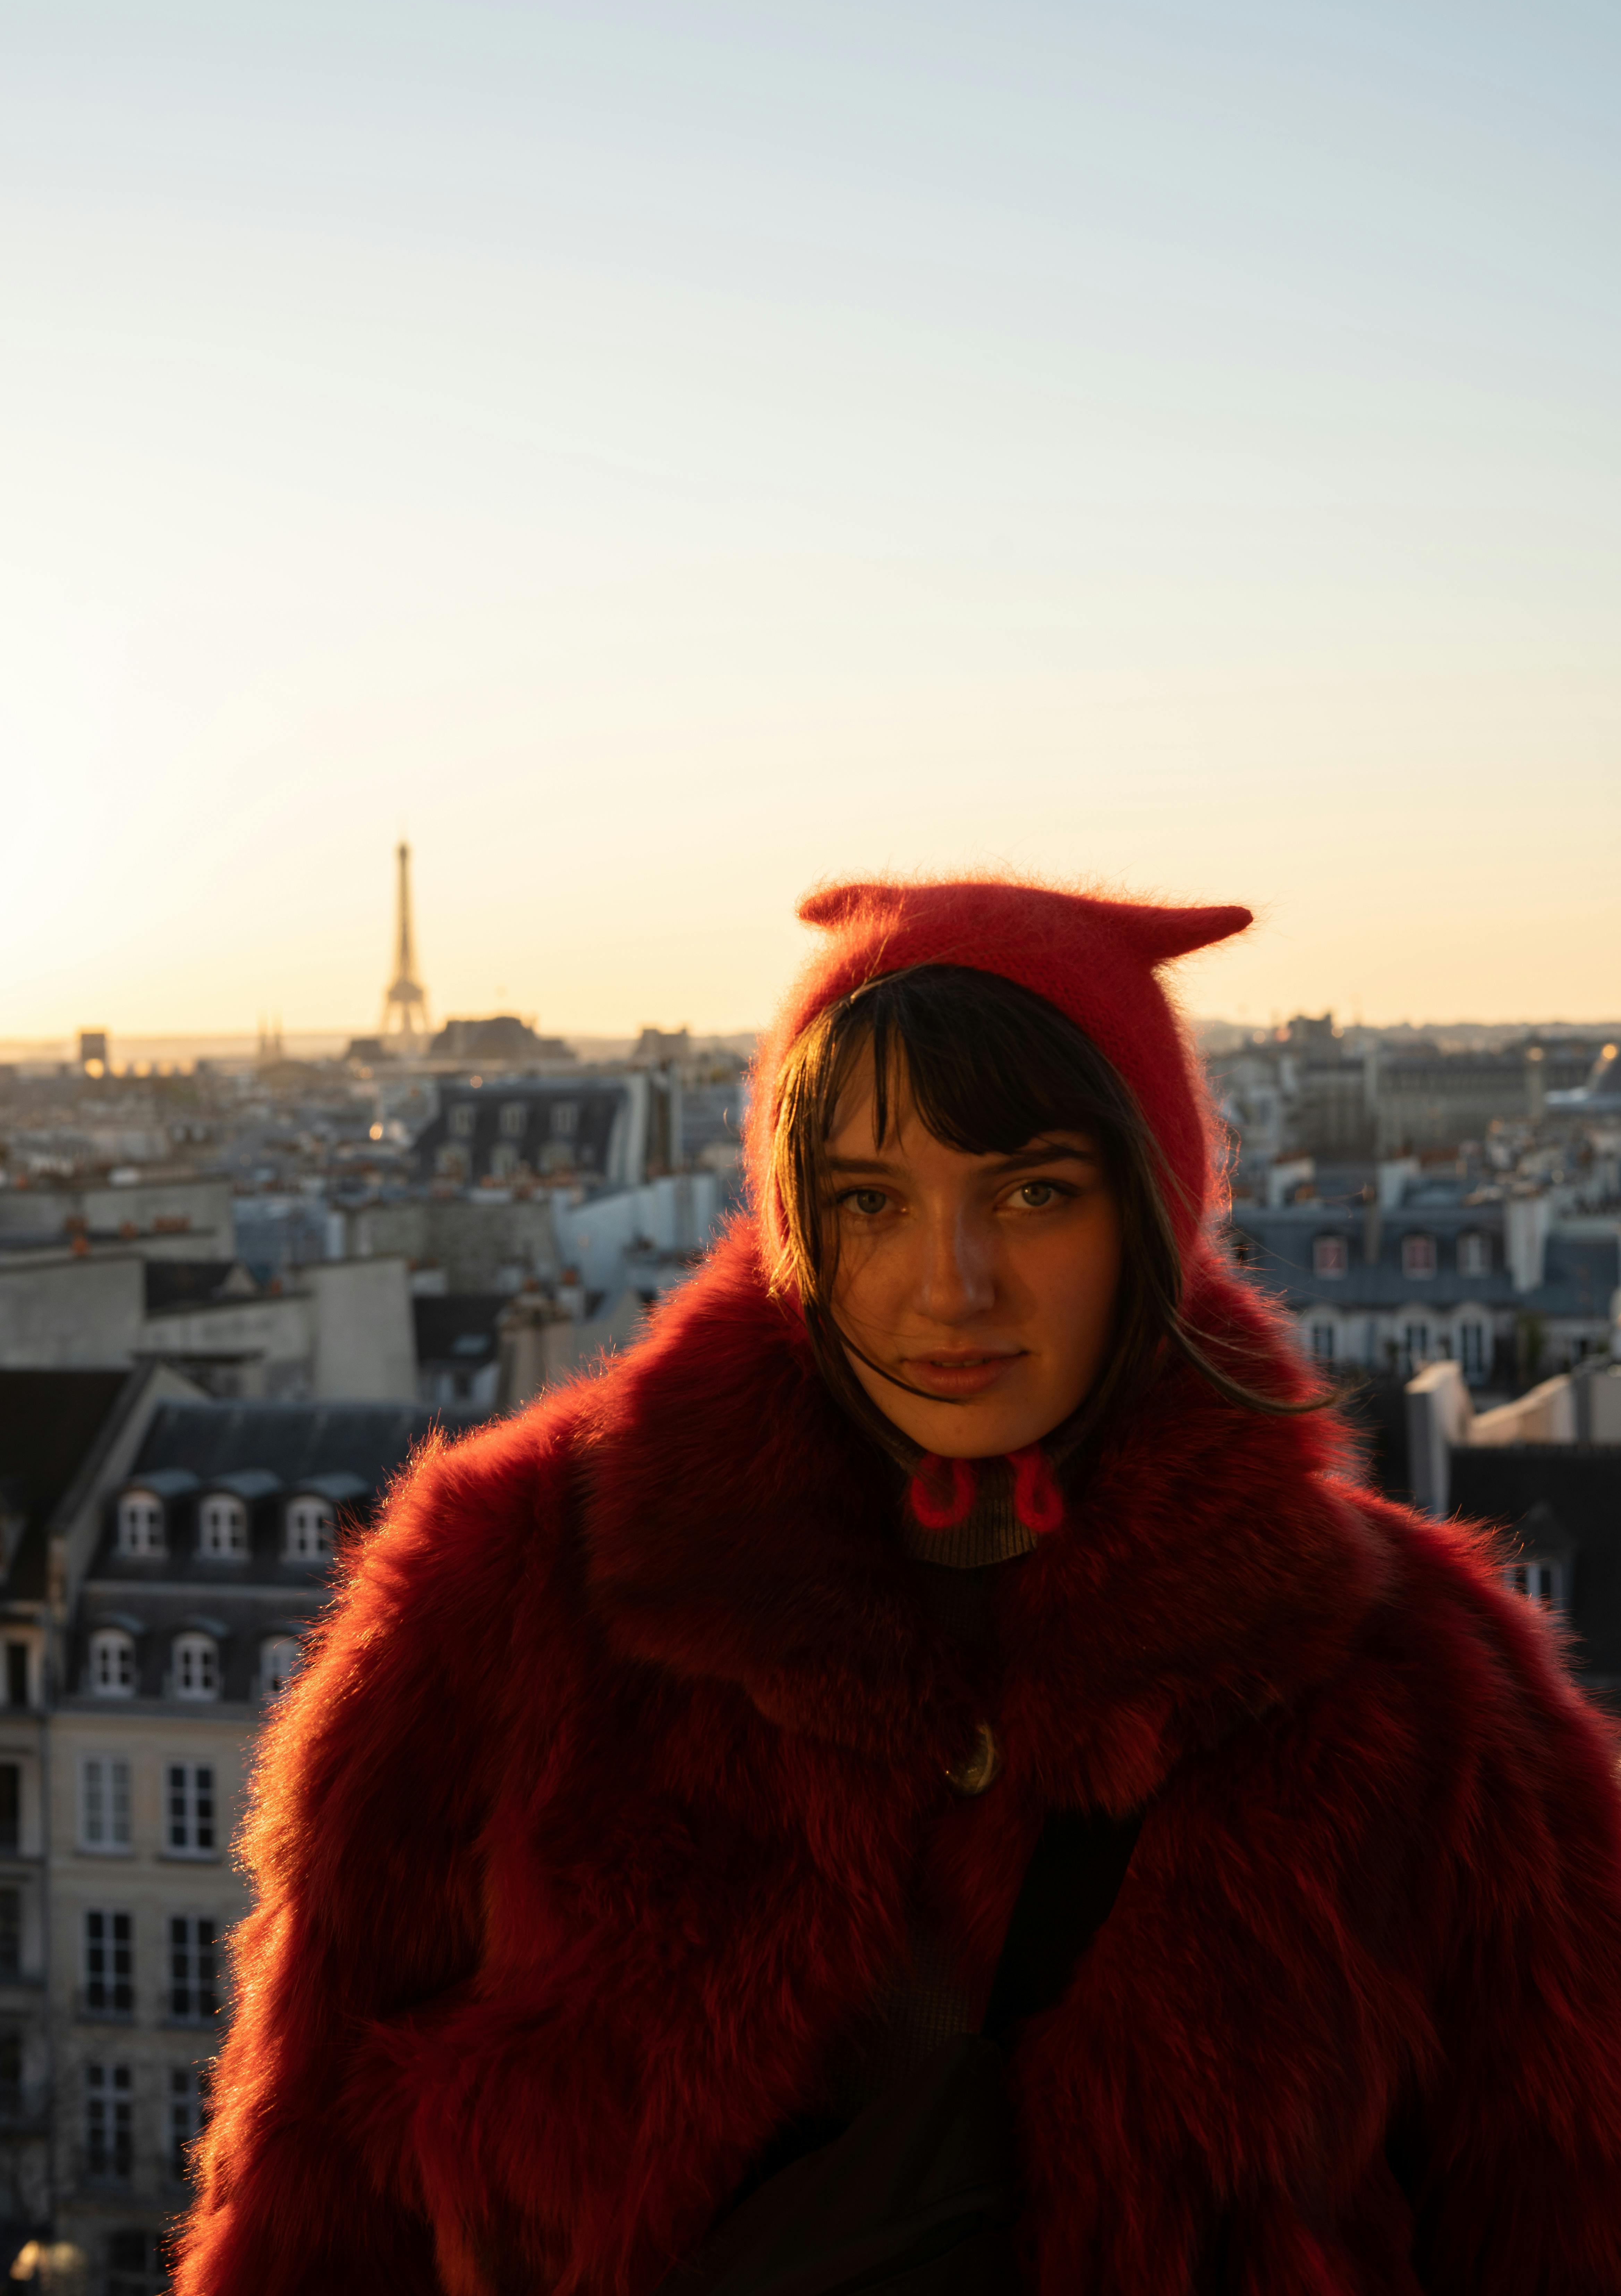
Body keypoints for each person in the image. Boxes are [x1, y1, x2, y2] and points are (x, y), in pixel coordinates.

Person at [175, 876, 1621, 2296]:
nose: (952, 1282)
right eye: (868, 1201)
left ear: (1156, 1212)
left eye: (1034, 1191)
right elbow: (308, 2199)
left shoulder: (1425, 1692)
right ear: (791, 1222)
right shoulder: (499, 1596)